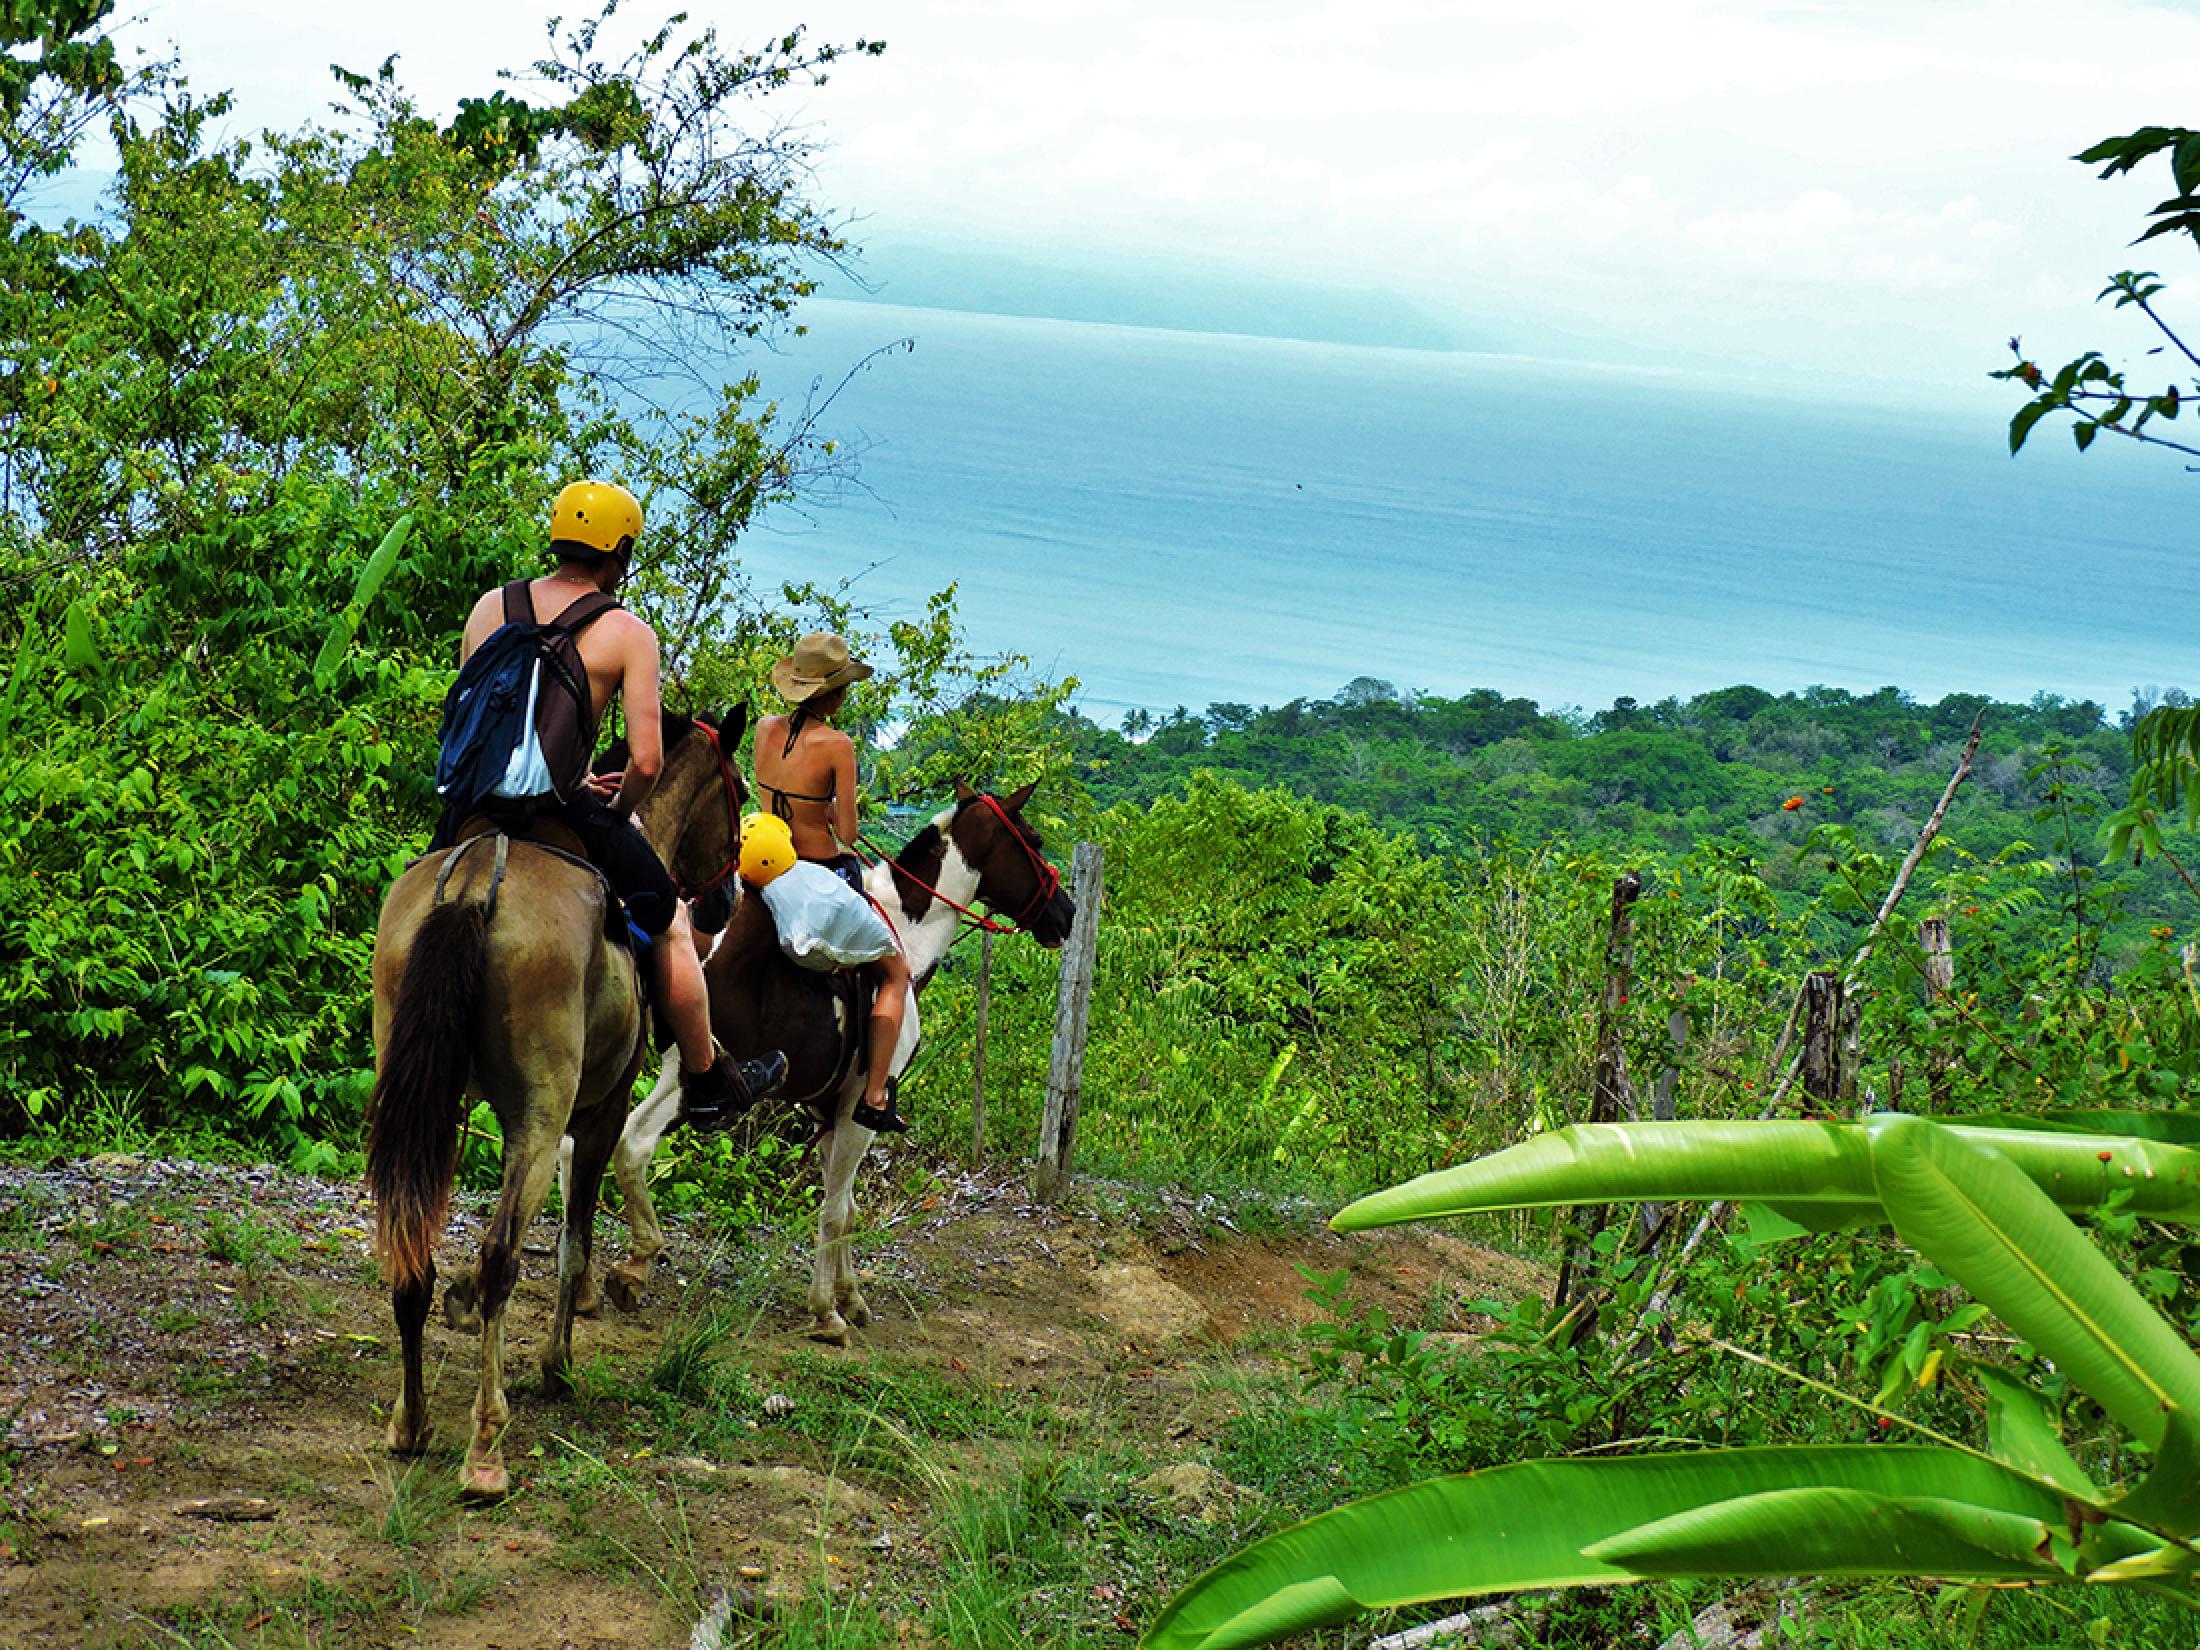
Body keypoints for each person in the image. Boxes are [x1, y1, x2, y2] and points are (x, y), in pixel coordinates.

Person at [436, 480, 785, 1127]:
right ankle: (707, 1079)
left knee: (428, 891)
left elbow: (473, 719)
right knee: (673, 923)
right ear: (618, 552)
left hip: (470, 809)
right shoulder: (625, 631)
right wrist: (615, 809)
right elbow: (648, 762)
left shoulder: (491, 607)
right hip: (560, 812)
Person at [753, 632, 914, 1133]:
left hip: (761, 862)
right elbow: (847, 833)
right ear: (835, 693)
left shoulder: (761, 728)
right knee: (894, 973)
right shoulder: (838, 746)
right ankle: (873, 1094)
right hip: (816, 873)